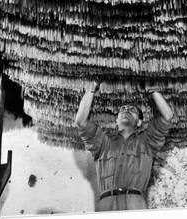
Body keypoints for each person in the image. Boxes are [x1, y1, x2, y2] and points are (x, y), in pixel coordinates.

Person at [74, 80, 174, 211]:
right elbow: (81, 122)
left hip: (135, 201)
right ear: (116, 121)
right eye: (122, 109)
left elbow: (167, 117)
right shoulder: (103, 142)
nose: (126, 110)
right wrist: (91, 88)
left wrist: (153, 90)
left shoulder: (147, 142)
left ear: (139, 122)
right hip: (106, 202)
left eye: (132, 110)